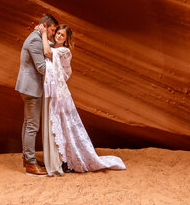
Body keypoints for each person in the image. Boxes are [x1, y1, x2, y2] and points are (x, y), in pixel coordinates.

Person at [37, 23, 125, 175]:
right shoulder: (55, 47)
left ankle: (70, 160)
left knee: (66, 126)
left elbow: (47, 52)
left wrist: (44, 34)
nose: (58, 36)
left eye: (62, 35)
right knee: (57, 126)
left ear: (66, 40)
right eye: (57, 33)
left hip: (60, 95)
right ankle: (60, 159)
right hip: (52, 93)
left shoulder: (64, 51)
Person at [15, 14, 58, 176]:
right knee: (32, 126)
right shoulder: (35, 40)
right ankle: (31, 165)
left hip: (28, 87)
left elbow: (49, 46)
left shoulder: (36, 37)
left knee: (28, 124)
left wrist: (44, 36)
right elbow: (42, 67)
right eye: (53, 30)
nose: (53, 34)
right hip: (31, 88)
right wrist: (58, 69)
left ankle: (27, 158)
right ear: (45, 27)